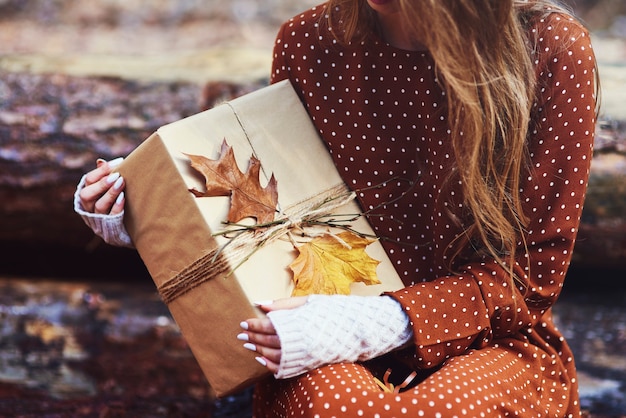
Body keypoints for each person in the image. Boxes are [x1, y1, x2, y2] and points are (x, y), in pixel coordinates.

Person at [75, 0, 599, 416]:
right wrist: (151, 208)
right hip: (313, 337)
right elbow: (287, 212)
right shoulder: (311, 42)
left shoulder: (548, 51)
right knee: (340, 406)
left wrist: (371, 323)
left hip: (492, 340)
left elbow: (529, 277)